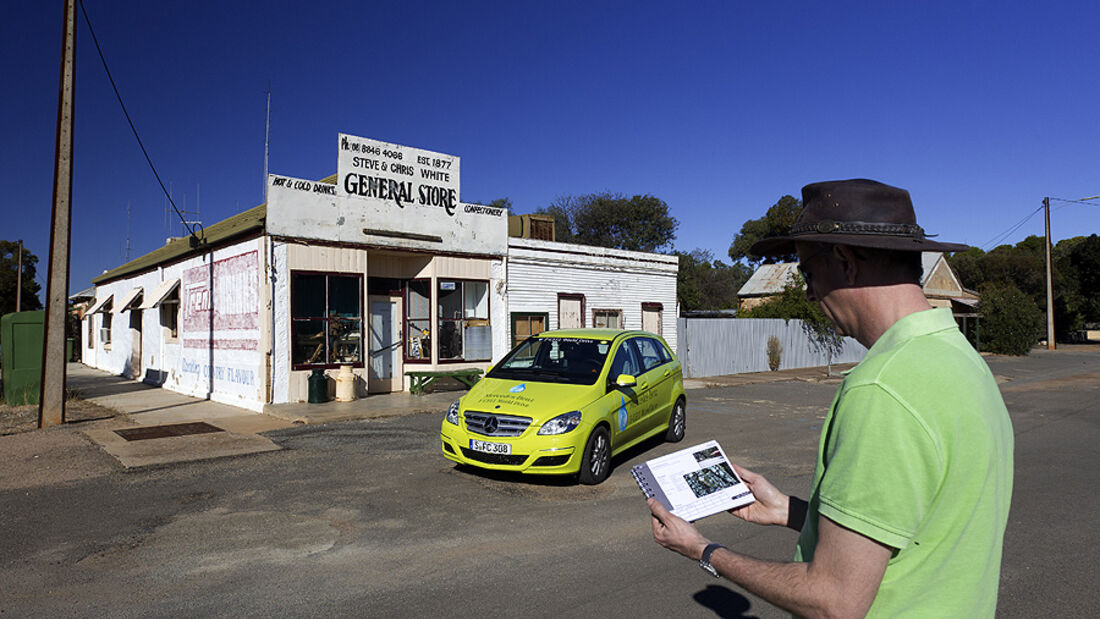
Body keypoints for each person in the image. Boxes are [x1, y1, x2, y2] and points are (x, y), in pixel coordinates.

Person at [648, 179, 1014, 617]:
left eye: (807, 272)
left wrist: (703, 550)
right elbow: (914, 528)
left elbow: (833, 601)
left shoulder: (882, 389)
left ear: (845, 262)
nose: (807, 292)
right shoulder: (959, 358)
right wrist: (788, 510)